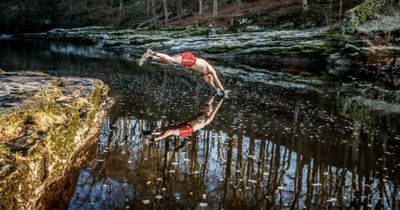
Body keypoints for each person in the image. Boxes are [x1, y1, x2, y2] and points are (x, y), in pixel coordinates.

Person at [139, 49, 225, 95]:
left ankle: (149, 57)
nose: (204, 79)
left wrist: (215, 90)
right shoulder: (210, 70)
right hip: (190, 60)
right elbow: (216, 81)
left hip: (189, 58)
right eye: (206, 79)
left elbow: (211, 83)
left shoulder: (206, 72)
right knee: (171, 59)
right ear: (210, 76)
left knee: (169, 61)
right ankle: (152, 53)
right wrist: (223, 91)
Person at [143, 96, 224, 142]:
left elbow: (216, 108)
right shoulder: (201, 113)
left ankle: (156, 139)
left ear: (210, 110)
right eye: (205, 108)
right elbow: (208, 102)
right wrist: (214, 95)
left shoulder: (208, 118)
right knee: (164, 130)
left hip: (188, 130)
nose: (206, 108)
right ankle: (149, 133)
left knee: (171, 131)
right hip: (185, 124)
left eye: (208, 108)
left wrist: (222, 99)